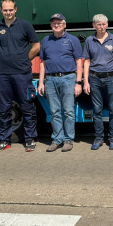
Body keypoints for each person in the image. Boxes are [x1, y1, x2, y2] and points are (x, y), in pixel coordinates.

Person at [0, 0, 40, 153]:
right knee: (3, 107)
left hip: (22, 73)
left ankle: (30, 138)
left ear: (15, 9)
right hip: (3, 74)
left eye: (10, 10)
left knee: (27, 105)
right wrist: (1, 59)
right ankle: (4, 139)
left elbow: (36, 46)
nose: (8, 13)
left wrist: (25, 59)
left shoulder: (25, 25)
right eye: (5, 10)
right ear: (1, 10)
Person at [37, 13, 83, 153]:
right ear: (51, 25)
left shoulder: (72, 40)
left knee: (69, 111)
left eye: (59, 23)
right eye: (54, 23)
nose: (56, 25)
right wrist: (41, 83)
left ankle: (68, 140)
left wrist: (78, 82)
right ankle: (57, 139)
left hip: (68, 78)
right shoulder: (46, 41)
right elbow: (42, 63)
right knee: (55, 112)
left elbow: (79, 62)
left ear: (65, 25)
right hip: (50, 80)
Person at [83, 14, 113, 150]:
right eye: (99, 24)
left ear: (107, 25)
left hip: (111, 77)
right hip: (94, 78)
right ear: (93, 25)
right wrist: (85, 82)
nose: (101, 27)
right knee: (97, 109)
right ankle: (99, 138)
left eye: (104, 24)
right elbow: (87, 62)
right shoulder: (89, 40)